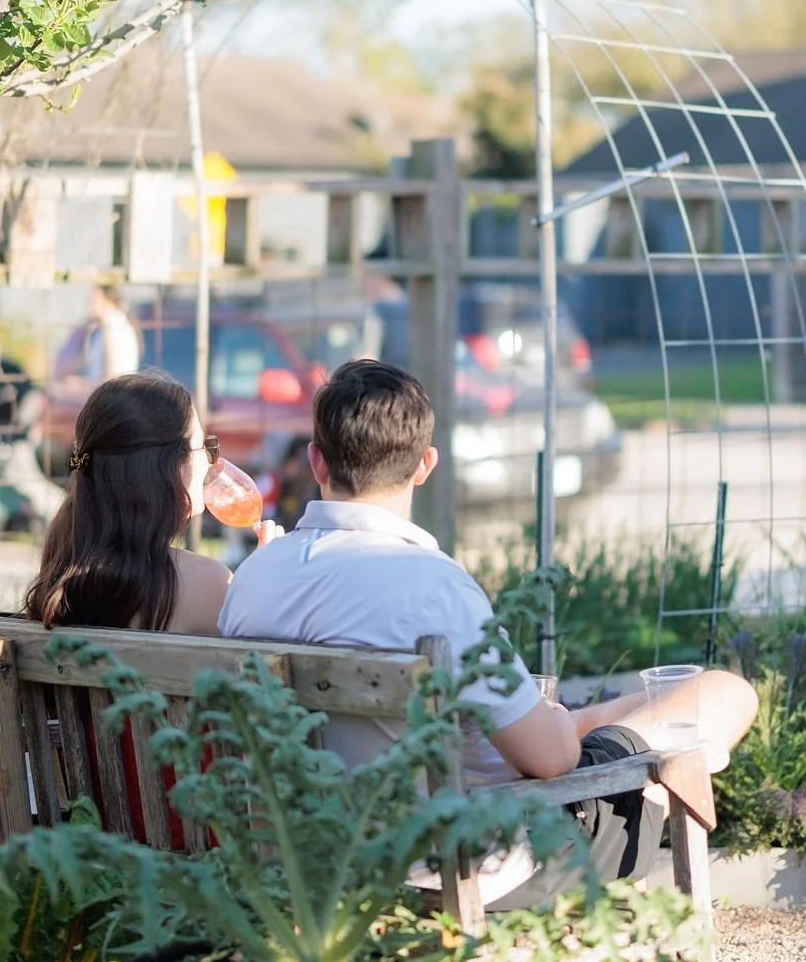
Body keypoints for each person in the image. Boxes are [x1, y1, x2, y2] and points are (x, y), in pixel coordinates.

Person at [219, 358, 758, 907]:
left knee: (600, 717)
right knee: (724, 695)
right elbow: (550, 763)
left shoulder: (254, 575)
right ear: (425, 464)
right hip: (456, 864)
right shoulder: (433, 585)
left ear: (315, 459)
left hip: (299, 854)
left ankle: (586, 718)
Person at [24, 373, 240, 636]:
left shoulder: (60, 576)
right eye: (202, 447)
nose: (210, 462)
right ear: (166, 466)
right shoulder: (209, 584)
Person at [53, 284, 143, 386]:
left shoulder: (114, 327)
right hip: (109, 390)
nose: (89, 303)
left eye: (94, 298)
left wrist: (80, 384)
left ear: (106, 299)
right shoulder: (104, 326)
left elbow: (112, 378)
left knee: (54, 392)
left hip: (113, 392)